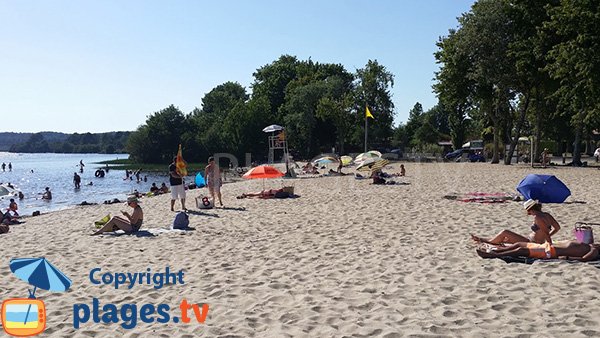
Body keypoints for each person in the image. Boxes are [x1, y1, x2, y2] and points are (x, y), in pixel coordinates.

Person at [471, 199, 560, 245]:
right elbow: (557, 228)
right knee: (506, 239)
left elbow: (545, 233)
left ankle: (488, 242)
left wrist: (549, 245)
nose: (528, 214)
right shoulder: (547, 215)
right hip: (531, 239)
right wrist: (545, 238)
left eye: (528, 211)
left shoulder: (538, 218)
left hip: (531, 242)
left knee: (505, 232)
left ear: (530, 210)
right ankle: (482, 239)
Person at [477, 240, 600, 262]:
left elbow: (584, 259)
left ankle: (494, 255)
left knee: (521, 250)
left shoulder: (593, 250)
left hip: (551, 252)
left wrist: (567, 258)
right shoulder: (590, 245)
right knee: (519, 244)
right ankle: (497, 250)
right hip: (548, 246)